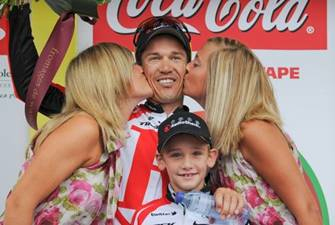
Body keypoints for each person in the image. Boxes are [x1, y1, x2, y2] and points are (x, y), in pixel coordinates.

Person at [7, 5, 236, 224]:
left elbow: (218, 188)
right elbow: (33, 89)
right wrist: (18, 8)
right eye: (154, 58)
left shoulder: (207, 126)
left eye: (175, 57)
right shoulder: (107, 114)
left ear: (187, 66)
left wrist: (224, 194)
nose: (166, 67)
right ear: (139, 68)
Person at [0, 41, 153, 224]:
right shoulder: (84, 128)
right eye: (132, 65)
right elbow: (18, 204)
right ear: (110, 77)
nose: (142, 69)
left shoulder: (106, 133)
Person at [184, 37, 322, 225]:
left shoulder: (253, 130)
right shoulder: (216, 132)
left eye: (196, 63)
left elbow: (309, 210)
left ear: (220, 77)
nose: (187, 67)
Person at [132, 111, 246, 225]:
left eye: (196, 153)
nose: (187, 165)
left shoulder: (229, 210)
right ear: (161, 160)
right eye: (176, 155)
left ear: (211, 157)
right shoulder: (145, 217)